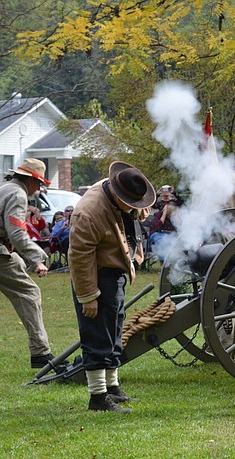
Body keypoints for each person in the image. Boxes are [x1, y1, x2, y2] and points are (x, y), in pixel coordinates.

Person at [68, 161, 155, 412]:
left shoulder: (117, 193)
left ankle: (112, 387)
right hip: (97, 275)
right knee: (98, 334)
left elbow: (138, 210)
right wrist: (88, 297)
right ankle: (97, 397)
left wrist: (137, 210)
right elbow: (79, 256)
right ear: (118, 194)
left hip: (114, 273)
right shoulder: (89, 212)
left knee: (114, 331)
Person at [0, 158, 62, 375]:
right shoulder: (17, 194)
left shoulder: (1, 188)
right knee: (29, 293)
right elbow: (17, 231)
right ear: (30, 180)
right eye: (39, 184)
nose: (39, 189)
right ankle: (41, 353)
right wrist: (37, 258)